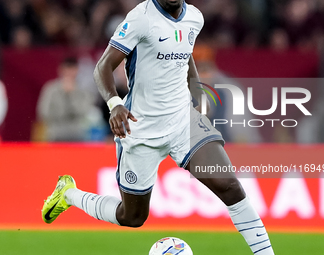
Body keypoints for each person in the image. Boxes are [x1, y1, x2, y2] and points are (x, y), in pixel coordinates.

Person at [42, 1, 274, 254]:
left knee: (229, 186)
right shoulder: (141, 18)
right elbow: (103, 67)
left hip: (182, 121)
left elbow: (185, 55)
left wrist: (195, 91)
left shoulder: (194, 18)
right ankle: (69, 194)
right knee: (132, 216)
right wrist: (114, 104)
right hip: (141, 129)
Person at [37, 57, 95, 142]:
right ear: (60, 70)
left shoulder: (83, 90)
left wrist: (72, 95)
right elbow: (43, 112)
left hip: (77, 135)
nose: (69, 72)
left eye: (72, 69)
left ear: (77, 70)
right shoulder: (50, 89)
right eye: (67, 68)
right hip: (55, 133)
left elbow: (85, 112)